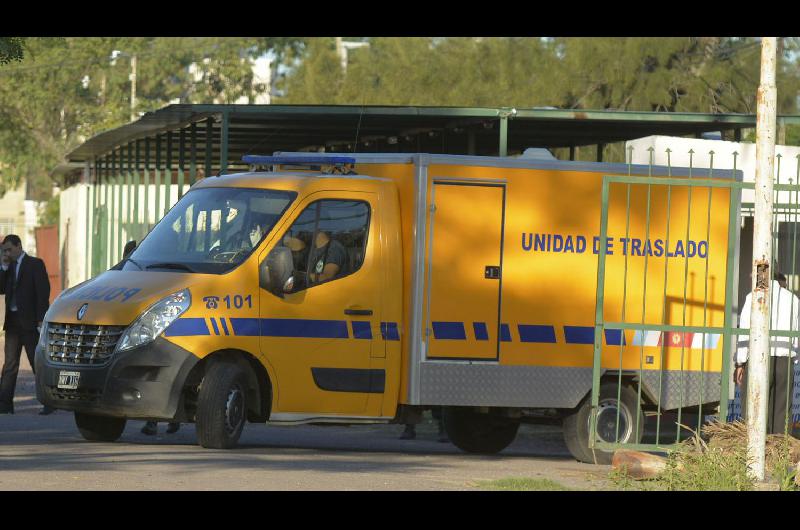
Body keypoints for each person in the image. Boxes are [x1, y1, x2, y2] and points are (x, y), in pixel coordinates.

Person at [735, 272, 799, 434]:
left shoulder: (754, 297)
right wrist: (795, 358)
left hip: (759, 357)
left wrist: (740, 361)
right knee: (781, 409)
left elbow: (744, 331)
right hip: (785, 359)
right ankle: (779, 449)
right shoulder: (793, 299)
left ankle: (753, 444)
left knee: (755, 406)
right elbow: (796, 331)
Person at [0, 235, 53, 415]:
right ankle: (5, 405)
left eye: (9, 249)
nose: (7, 253)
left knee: (35, 363)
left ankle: (48, 402)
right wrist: (4, 266)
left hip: (30, 323)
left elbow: (42, 292)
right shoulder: (8, 267)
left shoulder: (35, 264)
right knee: (9, 365)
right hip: (13, 323)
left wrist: (41, 318)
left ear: (19, 246)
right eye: (4, 250)